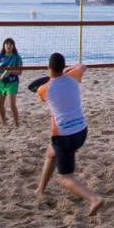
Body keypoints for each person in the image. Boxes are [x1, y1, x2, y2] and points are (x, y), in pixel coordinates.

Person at [32, 52, 104, 215]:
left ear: (48, 67)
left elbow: (44, 91)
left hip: (64, 135)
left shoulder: (44, 90)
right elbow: (83, 66)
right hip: (81, 131)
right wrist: (68, 71)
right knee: (51, 154)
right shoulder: (74, 77)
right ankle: (40, 189)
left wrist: (60, 73)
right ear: (64, 67)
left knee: (65, 179)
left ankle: (94, 199)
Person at [0, 37, 23, 128]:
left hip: (12, 83)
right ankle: (4, 122)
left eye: (10, 44)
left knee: (12, 105)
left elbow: (20, 72)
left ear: (13, 46)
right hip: (1, 83)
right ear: (4, 46)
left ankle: (17, 124)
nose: (8, 46)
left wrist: (10, 71)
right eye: (6, 44)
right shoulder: (0, 56)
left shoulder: (17, 57)